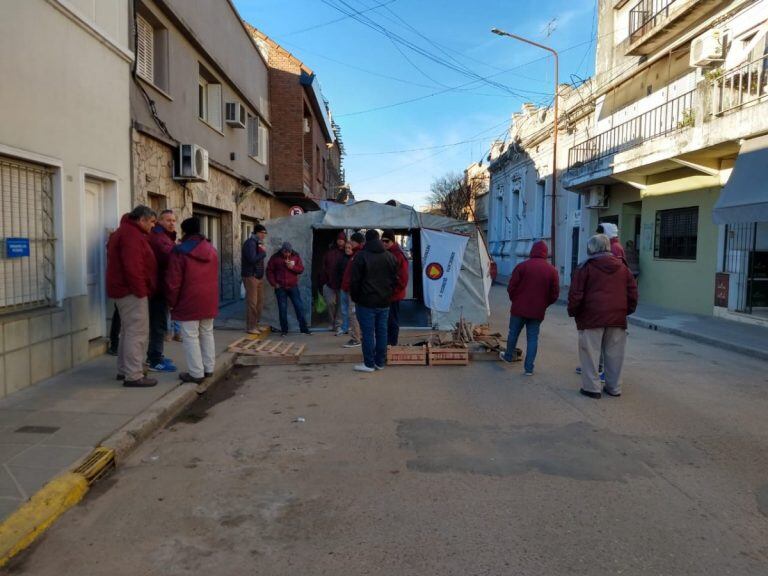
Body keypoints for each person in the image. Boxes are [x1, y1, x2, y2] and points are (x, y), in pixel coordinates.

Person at [568, 234, 638, 399]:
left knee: (590, 355)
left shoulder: (585, 267)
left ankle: (592, 388)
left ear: (591, 248)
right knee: (615, 355)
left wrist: (574, 312)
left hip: (591, 318)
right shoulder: (623, 267)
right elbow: (633, 293)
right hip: (617, 319)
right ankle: (614, 388)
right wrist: (625, 311)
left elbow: (576, 294)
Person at [106, 205, 158, 388]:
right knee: (136, 333)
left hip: (124, 290)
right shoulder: (131, 235)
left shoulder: (125, 232)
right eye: (151, 222)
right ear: (142, 220)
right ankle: (134, 375)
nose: (153, 226)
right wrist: (141, 291)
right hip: (131, 292)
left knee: (128, 332)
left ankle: (125, 370)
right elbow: (133, 266)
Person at [165, 217, 219, 384]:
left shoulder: (179, 251)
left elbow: (173, 281)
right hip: (209, 298)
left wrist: (171, 302)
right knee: (207, 333)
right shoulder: (211, 249)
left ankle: (196, 373)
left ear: (184, 231)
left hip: (188, 298)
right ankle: (209, 368)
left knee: (190, 336)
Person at [499, 240, 560, 375]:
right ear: (545, 253)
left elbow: (511, 287)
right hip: (537, 311)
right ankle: (529, 368)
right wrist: (544, 304)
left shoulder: (522, 266)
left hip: (518, 309)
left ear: (532, 251)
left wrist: (515, 300)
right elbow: (555, 294)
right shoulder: (552, 271)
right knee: (532, 338)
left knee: (513, 333)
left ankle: (508, 357)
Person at [349, 229, 398, 372]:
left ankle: (369, 364)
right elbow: (395, 281)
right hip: (384, 302)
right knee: (382, 332)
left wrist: (356, 298)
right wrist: (388, 295)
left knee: (368, 333)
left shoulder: (361, 256)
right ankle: (380, 363)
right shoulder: (390, 257)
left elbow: (355, 281)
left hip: (366, 302)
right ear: (379, 239)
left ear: (366, 240)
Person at [146, 209, 177, 373]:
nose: (172, 223)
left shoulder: (165, 237)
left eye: (173, 220)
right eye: (168, 220)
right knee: (158, 325)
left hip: (161, 287)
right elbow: (169, 259)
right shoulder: (159, 238)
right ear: (159, 221)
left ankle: (156, 354)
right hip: (157, 288)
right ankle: (155, 360)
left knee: (160, 323)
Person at [266, 242, 310, 336]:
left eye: (289, 252)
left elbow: (301, 269)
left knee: (299, 307)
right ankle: (284, 331)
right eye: (285, 252)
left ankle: (304, 329)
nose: (287, 254)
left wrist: (292, 267)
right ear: (282, 251)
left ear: (291, 251)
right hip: (280, 287)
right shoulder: (275, 257)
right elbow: (269, 271)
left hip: (293, 286)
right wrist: (274, 283)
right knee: (282, 309)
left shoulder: (296, 256)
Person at [381, 230, 409, 346]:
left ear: (392, 241)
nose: (384, 243)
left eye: (386, 241)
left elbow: (403, 278)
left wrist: (393, 291)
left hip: (393, 294)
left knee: (392, 320)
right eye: (382, 241)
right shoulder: (386, 253)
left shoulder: (398, 255)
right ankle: (388, 343)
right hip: (386, 294)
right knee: (386, 320)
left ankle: (392, 344)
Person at [241, 224, 268, 335]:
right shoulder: (250, 243)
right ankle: (251, 327)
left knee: (260, 302)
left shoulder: (258, 243)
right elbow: (252, 259)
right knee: (252, 302)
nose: (263, 235)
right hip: (250, 276)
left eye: (265, 233)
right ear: (256, 233)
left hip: (258, 276)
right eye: (262, 233)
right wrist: (262, 253)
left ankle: (256, 324)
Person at [340, 232, 365, 348]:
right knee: (355, 314)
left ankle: (356, 339)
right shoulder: (355, 254)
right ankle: (359, 336)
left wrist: (352, 287)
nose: (350, 242)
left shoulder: (359, 254)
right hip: (351, 289)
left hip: (354, 291)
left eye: (352, 241)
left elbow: (356, 275)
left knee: (353, 314)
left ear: (357, 242)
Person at [319, 231, 347, 333]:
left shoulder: (347, 252)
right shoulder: (330, 253)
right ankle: (331, 322)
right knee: (330, 303)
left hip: (342, 284)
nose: (340, 241)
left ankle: (338, 324)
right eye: (339, 239)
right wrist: (323, 281)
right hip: (329, 282)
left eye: (342, 240)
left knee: (340, 304)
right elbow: (323, 267)